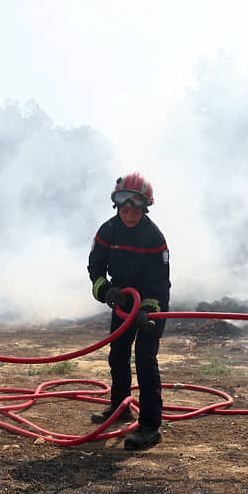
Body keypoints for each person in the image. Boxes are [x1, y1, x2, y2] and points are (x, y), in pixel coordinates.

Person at [88, 172, 171, 450]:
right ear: (117, 206)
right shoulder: (107, 232)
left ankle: (150, 427)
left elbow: (160, 284)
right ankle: (120, 407)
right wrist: (106, 291)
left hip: (151, 306)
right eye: (125, 210)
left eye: (135, 211)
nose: (129, 215)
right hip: (123, 301)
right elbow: (95, 269)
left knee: (145, 360)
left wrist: (147, 311)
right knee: (118, 354)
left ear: (145, 208)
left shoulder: (154, 238)